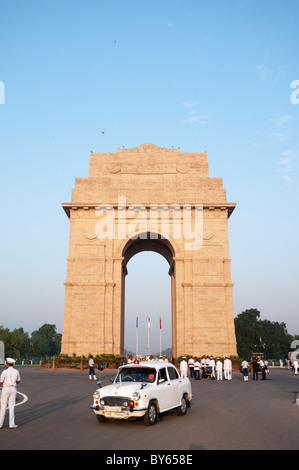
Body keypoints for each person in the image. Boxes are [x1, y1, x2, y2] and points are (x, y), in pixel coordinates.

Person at [0, 358, 21, 429]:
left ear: (8, 364)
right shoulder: (16, 371)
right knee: (11, 406)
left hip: (5, 389)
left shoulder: (4, 372)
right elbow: (18, 381)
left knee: (3, 406)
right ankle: (12, 424)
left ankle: (0, 424)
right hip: (13, 389)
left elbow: (0, 382)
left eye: (6, 363)